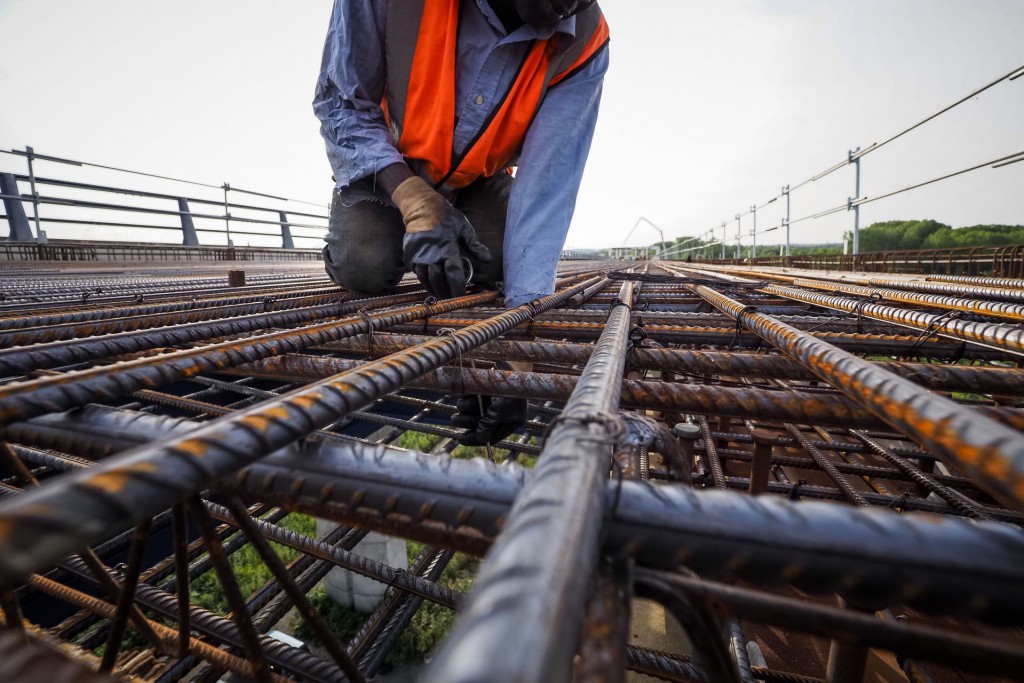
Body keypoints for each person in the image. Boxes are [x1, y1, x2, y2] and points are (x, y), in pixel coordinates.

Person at [313, 0, 609, 444]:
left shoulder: (585, 41)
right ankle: (395, 228)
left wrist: (518, 356)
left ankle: (447, 231)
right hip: (387, 169)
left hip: (475, 181)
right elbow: (341, 104)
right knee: (364, 264)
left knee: (506, 260)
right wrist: (415, 203)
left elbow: (547, 188)